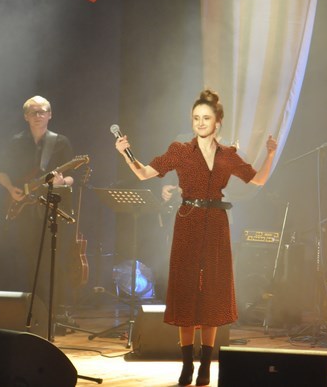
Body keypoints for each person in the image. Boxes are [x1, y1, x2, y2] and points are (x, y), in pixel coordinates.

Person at [115, 89, 277, 386]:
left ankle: (205, 366)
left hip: (216, 224)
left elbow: (259, 179)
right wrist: (126, 153)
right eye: (196, 118)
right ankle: (187, 364)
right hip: (188, 221)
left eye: (206, 118)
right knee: (186, 290)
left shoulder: (228, 155)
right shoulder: (180, 150)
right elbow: (144, 173)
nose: (200, 123)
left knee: (212, 292)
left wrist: (270, 154)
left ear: (218, 122)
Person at [0, 95, 78, 321]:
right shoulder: (15, 142)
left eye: (42, 112)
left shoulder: (60, 142)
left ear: (50, 115)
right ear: (26, 116)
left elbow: (73, 176)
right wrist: (11, 189)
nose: (38, 116)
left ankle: (56, 311)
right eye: (34, 112)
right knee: (28, 259)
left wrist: (62, 182)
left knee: (55, 260)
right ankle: (30, 310)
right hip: (24, 208)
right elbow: (0, 171)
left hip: (52, 208)